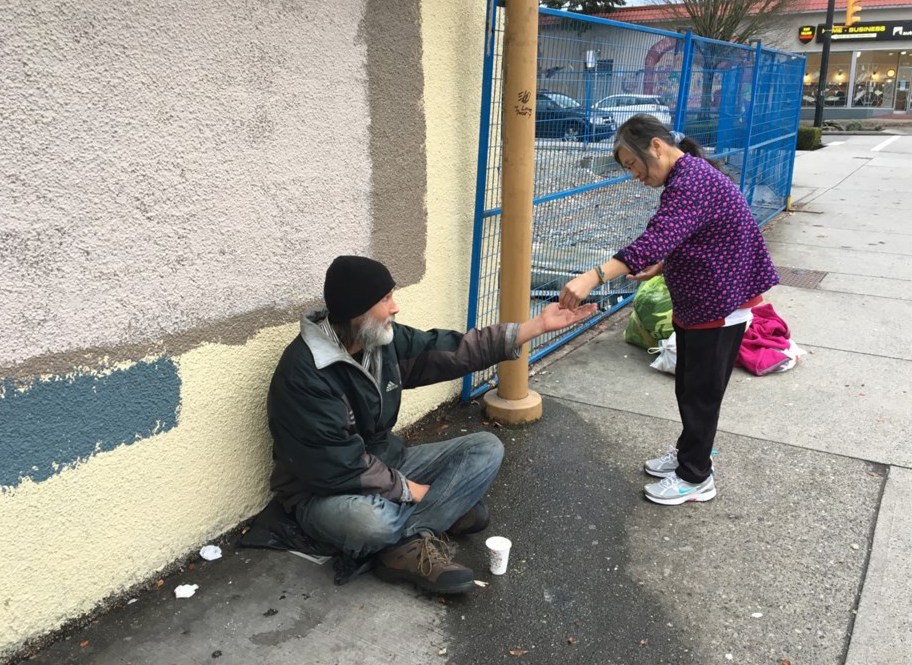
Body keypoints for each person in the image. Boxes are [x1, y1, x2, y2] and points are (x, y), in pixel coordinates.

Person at [266, 255, 596, 594]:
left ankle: (406, 540)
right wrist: (413, 490)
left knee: (485, 448)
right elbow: (338, 466)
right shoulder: (305, 375)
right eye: (385, 299)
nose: (395, 308)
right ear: (358, 310)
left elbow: (452, 351)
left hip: (384, 462)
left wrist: (535, 327)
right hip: (323, 492)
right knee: (371, 522)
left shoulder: (378, 341)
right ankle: (424, 529)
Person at [558, 115, 779, 506]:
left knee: (701, 393)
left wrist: (592, 277)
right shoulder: (687, 176)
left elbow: (655, 239)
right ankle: (691, 453)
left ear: (656, 146)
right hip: (704, 299)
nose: (633, 176)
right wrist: (663, 265)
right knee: (690, 386)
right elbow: (690, 233)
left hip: (721, 301)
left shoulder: (689, 180)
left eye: (633, 164)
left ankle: (696, 477)